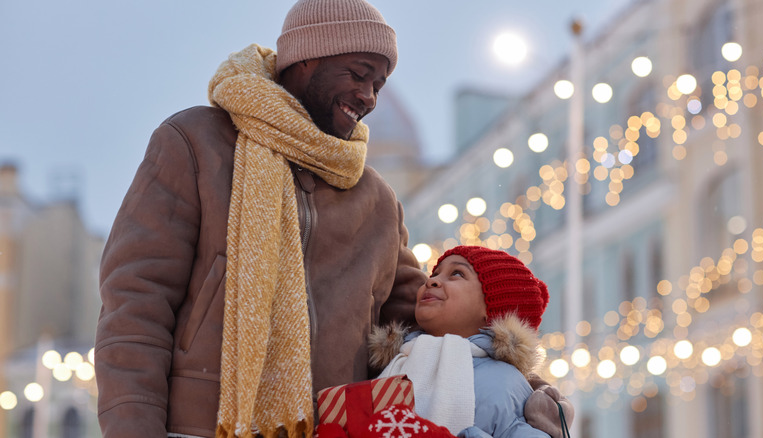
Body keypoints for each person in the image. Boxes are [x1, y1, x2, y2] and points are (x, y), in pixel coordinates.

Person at [94, 1, 570, 437]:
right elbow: (137, 300)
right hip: (199, 426)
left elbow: (432, 322)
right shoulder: (197, 144)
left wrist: (522, 388)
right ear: (307, 58)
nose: (369, 98)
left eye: (378, 85)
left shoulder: (376, 200)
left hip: (331, 428)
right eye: (359, 74)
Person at [369, 246, 574, 438]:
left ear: (491, 312)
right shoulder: (399, 361)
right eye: (434, 274)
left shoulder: (503, 382)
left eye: (456, 274)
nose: (431, 281)